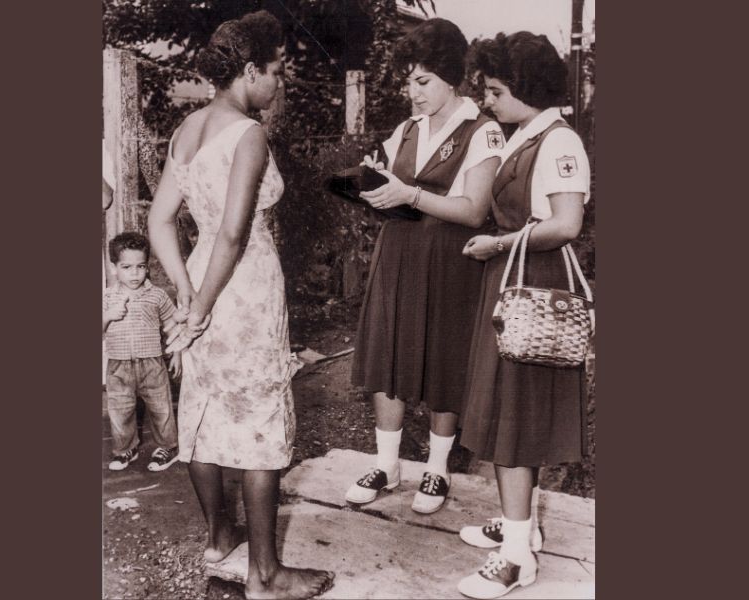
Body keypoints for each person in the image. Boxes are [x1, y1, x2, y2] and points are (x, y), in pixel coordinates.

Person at [147, 11, 334, 600]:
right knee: (258, 421)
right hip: (241, 284)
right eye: (276, 72)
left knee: (203, 406)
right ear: (250, 71)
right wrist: (200, 306)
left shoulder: (188, 127)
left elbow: (159, 220)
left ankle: (217, 537)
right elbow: (233, 233)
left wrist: (184, 288)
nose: (280, 84)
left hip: (201, 273)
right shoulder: (247, 133)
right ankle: (265, 575)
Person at [346, 18, 505, 515]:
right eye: (406, 81)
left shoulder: (484, 131)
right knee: (387, 352)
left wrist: (410, 192)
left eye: (422, 81)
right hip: (398, 254)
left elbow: (474, 209)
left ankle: (437, 469)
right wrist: (372, 188)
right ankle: (387, 463)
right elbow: (394, 192)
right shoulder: (406, 130)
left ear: (451, 77)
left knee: (443, 357)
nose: (411, 92)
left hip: (451, 262)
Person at [456, 31, 591, 599]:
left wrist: (498, 244)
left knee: (515, 419)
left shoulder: (559, 143)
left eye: (495, 90)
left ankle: (517, 559)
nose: (487, 101)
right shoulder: (528, 134)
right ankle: (520, 525)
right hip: (514, 276)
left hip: (532, 285)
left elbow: (566, 226)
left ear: (526, 90)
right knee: (505, 414)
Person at [103, 231, 182, 472]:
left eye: (141, 266)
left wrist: (176, 353)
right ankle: (125, 449)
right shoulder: (106, 297)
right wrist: (107, 316)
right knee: (120, 410)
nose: (135, 273)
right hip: (118, 365)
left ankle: (168, 446)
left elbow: (172, 324)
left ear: (147, 267)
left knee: (161, 408)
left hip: (152, 363)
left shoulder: (157, 295)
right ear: (115, 267)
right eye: (126, 267)